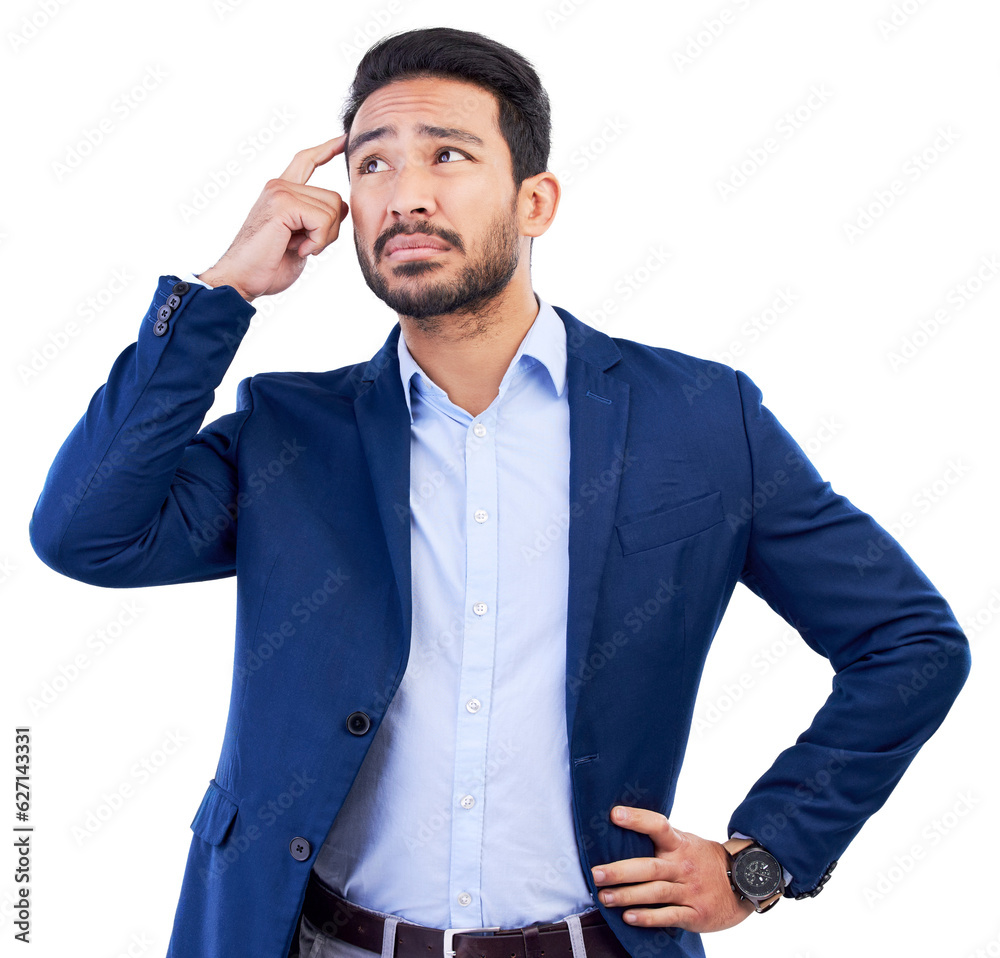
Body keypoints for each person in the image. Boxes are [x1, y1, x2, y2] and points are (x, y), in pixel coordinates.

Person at [28, 26, 970, 958]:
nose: (408, 195)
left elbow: (910, 643)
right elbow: (86, 532)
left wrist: (761, 862)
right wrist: (223, 291)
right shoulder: (289, 433)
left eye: (448, 155)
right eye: (372, 166)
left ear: (536, 201)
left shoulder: (697, 418)